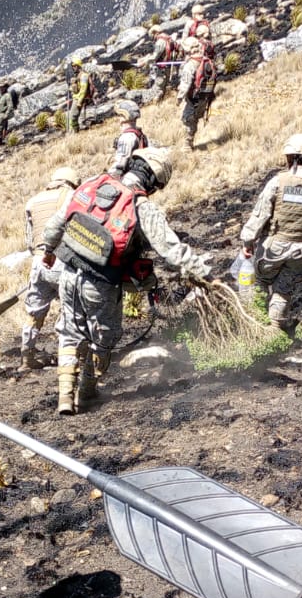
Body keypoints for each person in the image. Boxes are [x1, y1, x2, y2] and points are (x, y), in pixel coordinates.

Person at [43, 148, 212, 414]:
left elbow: (56, 223)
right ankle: (87, 391)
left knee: (69, 330)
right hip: (101, 282)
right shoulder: (141, 206)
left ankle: (65, 396)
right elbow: (171, 249)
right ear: (155, 182)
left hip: (67, 272)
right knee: (105, 335)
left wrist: (48, 251)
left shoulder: (92, 184)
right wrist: (202, 272)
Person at [238, 133, 302, 334]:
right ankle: (275, 328)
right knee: (283, 290)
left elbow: (260, 214)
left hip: (273, 247)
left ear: (289, 157)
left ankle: (256, 325)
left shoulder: (278, 182)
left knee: (259, 282)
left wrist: (248, 241)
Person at [18, 166, 80, 370]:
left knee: (34, 311)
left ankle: (27, 357)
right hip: (61, 260)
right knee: (70, 310)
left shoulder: (33, 201)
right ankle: (68, 357)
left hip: (38, 261)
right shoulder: (73, 196)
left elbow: (29, 239)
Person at [179, 25, 217, 148]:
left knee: (188, 119)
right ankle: (190, 142)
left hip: (193, 98)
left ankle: (187, 145)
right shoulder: (206, 60)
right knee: (195, 118)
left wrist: (179, 97)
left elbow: (186, 83)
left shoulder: (190, 65)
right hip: (206, 96)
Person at [110, 101, 147, 174]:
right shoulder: (139, 134)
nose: (118, 118)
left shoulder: (126, 137)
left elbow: (119, 165)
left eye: (120, 115)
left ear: (125, 117)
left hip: (124, 178)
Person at [0, 80, 15, 146]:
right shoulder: (2, 95)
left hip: (2, 115)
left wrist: (6, 114)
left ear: (5, 87)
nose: (0, 89)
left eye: (2, 87)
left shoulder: (7, 95)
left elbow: (10, 106)